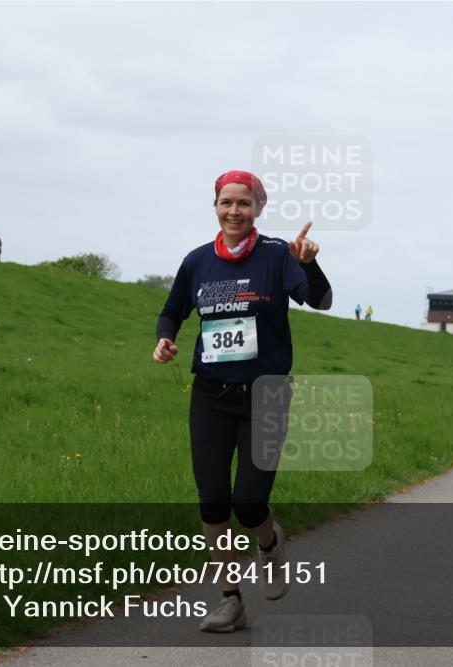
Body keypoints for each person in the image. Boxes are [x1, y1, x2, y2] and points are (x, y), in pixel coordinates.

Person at [152, 170, 332, 633]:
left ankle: (269, 543)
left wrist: (308, 263)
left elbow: (322, 300)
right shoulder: (197, 262)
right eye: (226, 202)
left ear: (258, 209)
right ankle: (231, 600)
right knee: (213, 501)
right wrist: (165, 340)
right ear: (215, 205)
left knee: (250, 503)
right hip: (210, 396)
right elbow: (172, 311)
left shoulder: (276, 255)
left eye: (244, 204)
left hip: (266, 396)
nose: (234, 211)